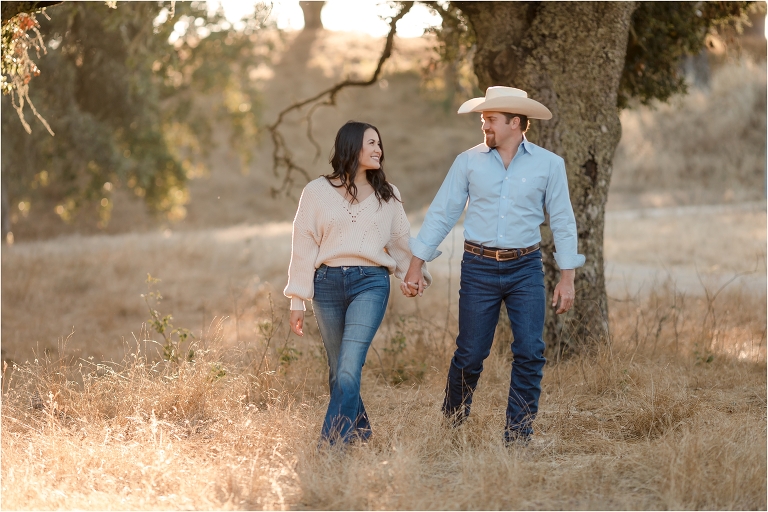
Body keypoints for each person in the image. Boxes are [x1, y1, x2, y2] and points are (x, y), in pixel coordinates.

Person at [402, 86, 585, 445]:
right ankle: (452, 424)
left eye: (490, 119)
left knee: (530, 351)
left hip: (526, 268)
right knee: (470, 354)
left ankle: (518, 435)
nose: (484, 124)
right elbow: (442, 213)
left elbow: (563, 221)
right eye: (483, 118)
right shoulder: (467, 161)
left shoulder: (550, 165)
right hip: (479, 268)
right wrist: (415, 264)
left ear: (515, 122)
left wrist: (567, 279)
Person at [284, 120, 431, 446]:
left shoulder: (388, 195)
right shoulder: (316, 192)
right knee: (338, 370)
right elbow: (303, 245)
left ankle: (331, 447)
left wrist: (413, 275)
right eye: (371, 143)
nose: (379, 149)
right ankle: (361, 432)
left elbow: (400, 242)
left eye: (380, 144)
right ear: (351, 147)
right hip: (326, 284)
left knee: (349, 366)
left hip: (371, 283)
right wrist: (297, 299)